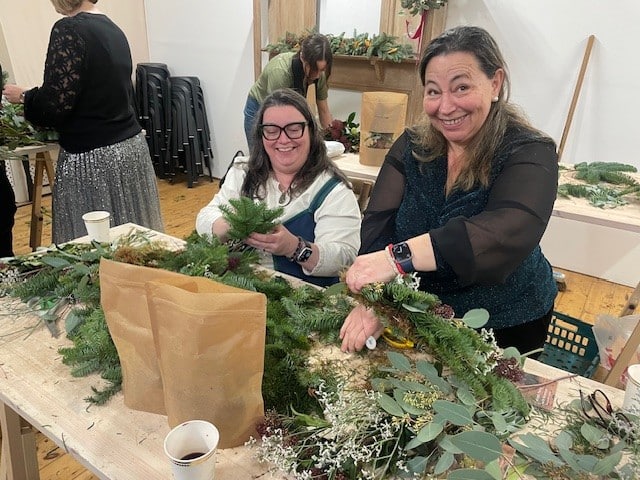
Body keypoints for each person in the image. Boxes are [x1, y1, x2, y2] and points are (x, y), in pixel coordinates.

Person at [339, 26, 558, 355]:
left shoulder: (529, 152)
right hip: (418, 312)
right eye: (433, 91)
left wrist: (396, 259)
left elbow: (503, 232)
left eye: (461, 87)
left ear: (495, 83)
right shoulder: (412, 146)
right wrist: (377, 298)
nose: (445, 106)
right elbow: (378, 221)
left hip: (507, 321)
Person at [2, 0, 163, 244]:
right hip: (130, 151)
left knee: (91, 247)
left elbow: (54, 107)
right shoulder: (112, 28)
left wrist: (25, 97)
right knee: (134, 244)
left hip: (94, 159)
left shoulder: (68, 29)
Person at [197, 88, 360, 287]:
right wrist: (229, 224)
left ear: (310, 131)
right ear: (261, 135)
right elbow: (204, 219)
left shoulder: (333, 190)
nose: (283, 139)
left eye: (294, 129)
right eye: (272, 130)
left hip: (302, 297)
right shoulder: (243, 173)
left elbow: (344, 257)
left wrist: (294, 248)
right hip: (239, 288)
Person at [244, 33, 334, 150]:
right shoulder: (280, 72)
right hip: (259, 108)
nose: (317, 75)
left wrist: (331, 140)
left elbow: (324, 111)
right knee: (262, 156)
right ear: (302, 58)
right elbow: (278, 115)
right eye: (313, 69)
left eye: (321, 70)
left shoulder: (318, 75)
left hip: (283, 112)